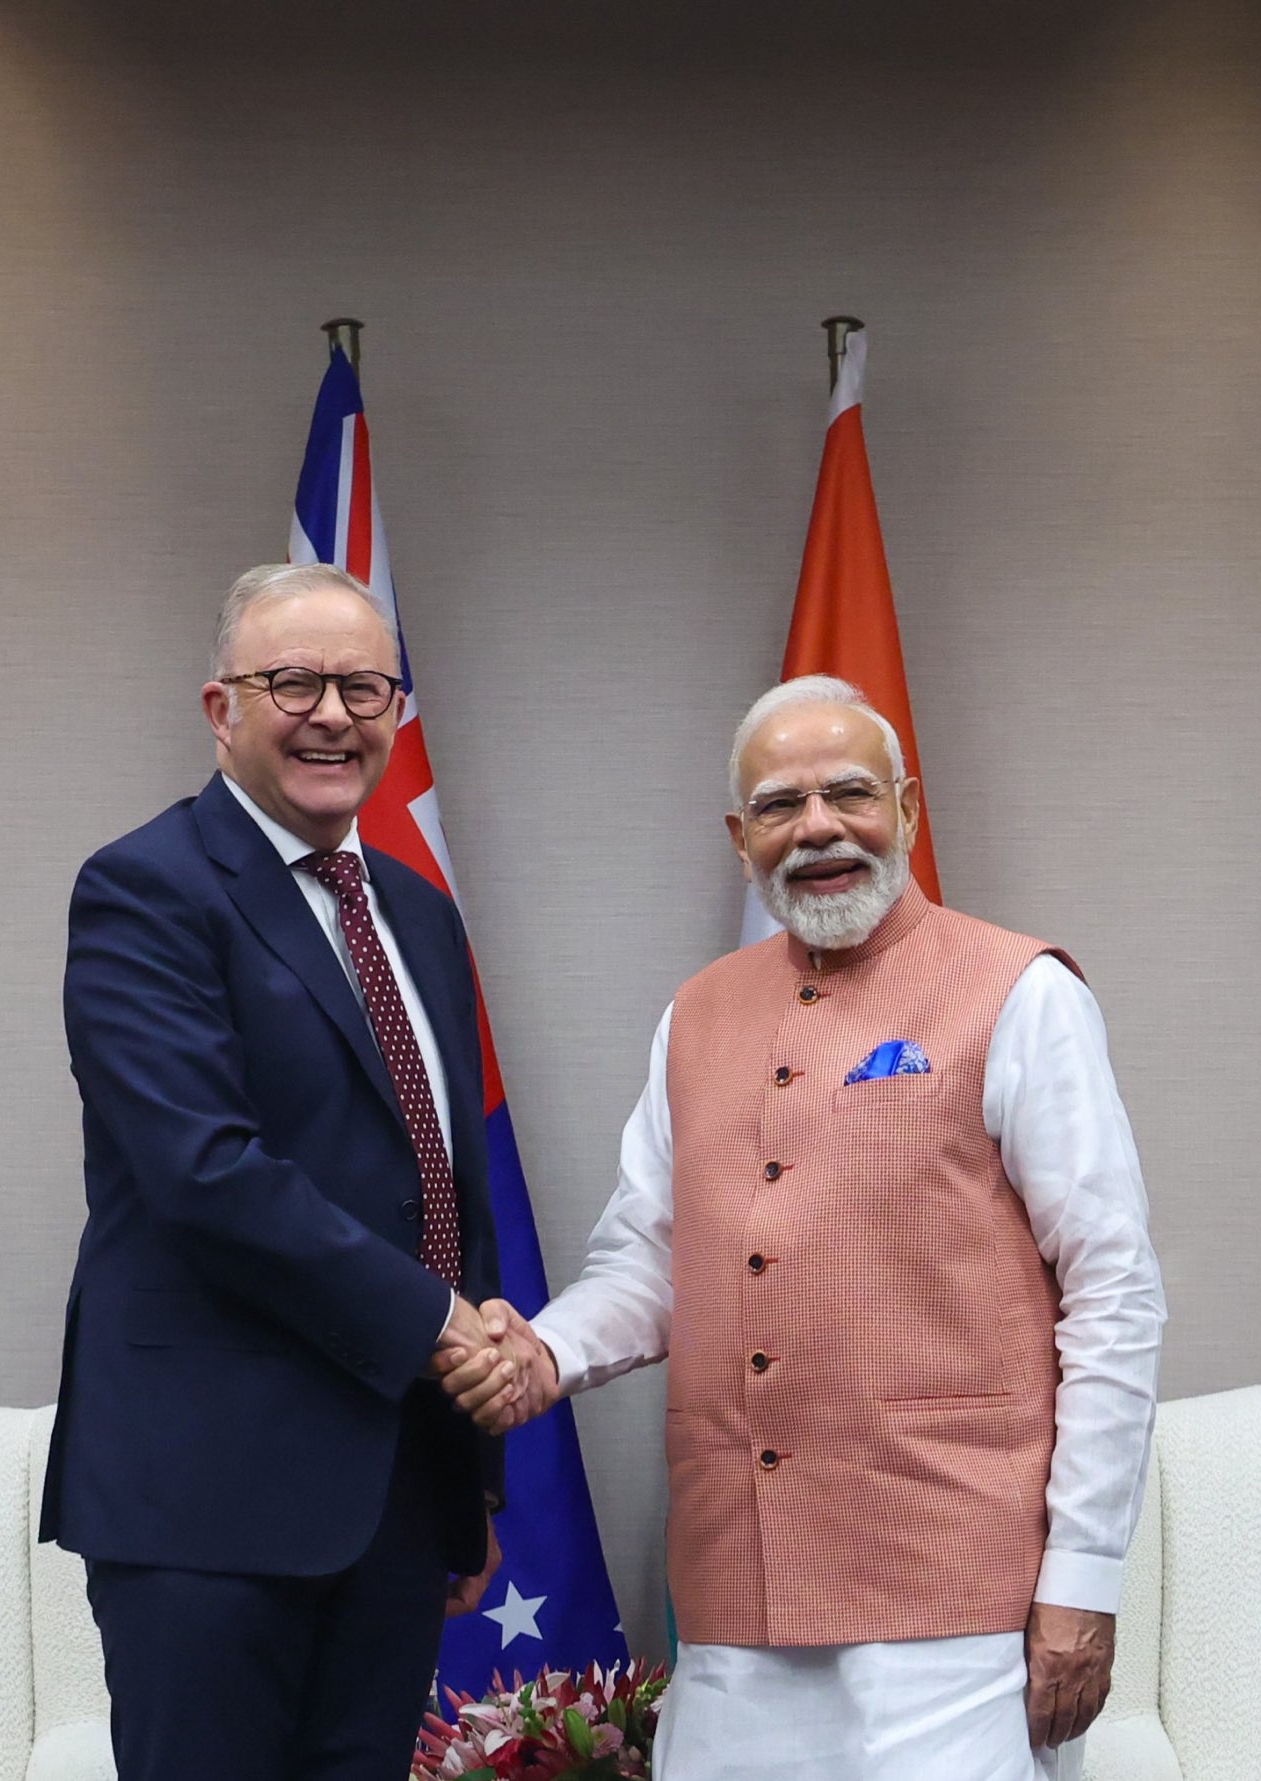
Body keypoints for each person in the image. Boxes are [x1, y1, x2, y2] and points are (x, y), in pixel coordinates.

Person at [443, 674, 1166, 1781]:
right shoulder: (699, 1010)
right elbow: (648, 1255)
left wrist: (1082, 1578)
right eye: (779, 804)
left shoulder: (1020, 992)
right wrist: (543, 1350)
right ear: (741, 839)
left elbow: (1112, 1292)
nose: (817, 825)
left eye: (847, 793)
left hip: (953, 1605)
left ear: (907, 808)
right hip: (735, 1600)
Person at [40, 562, 519, 1781]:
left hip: (395, 1492)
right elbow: (205, 1173)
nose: (332, 712)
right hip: (208, 1498)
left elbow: (439, 1177)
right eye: (292, 680)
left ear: (395, 713)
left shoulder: (415, 910)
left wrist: (467, 1468)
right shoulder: (144, 890)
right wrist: (441, 1328)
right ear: (220, 708)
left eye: (363, 686)